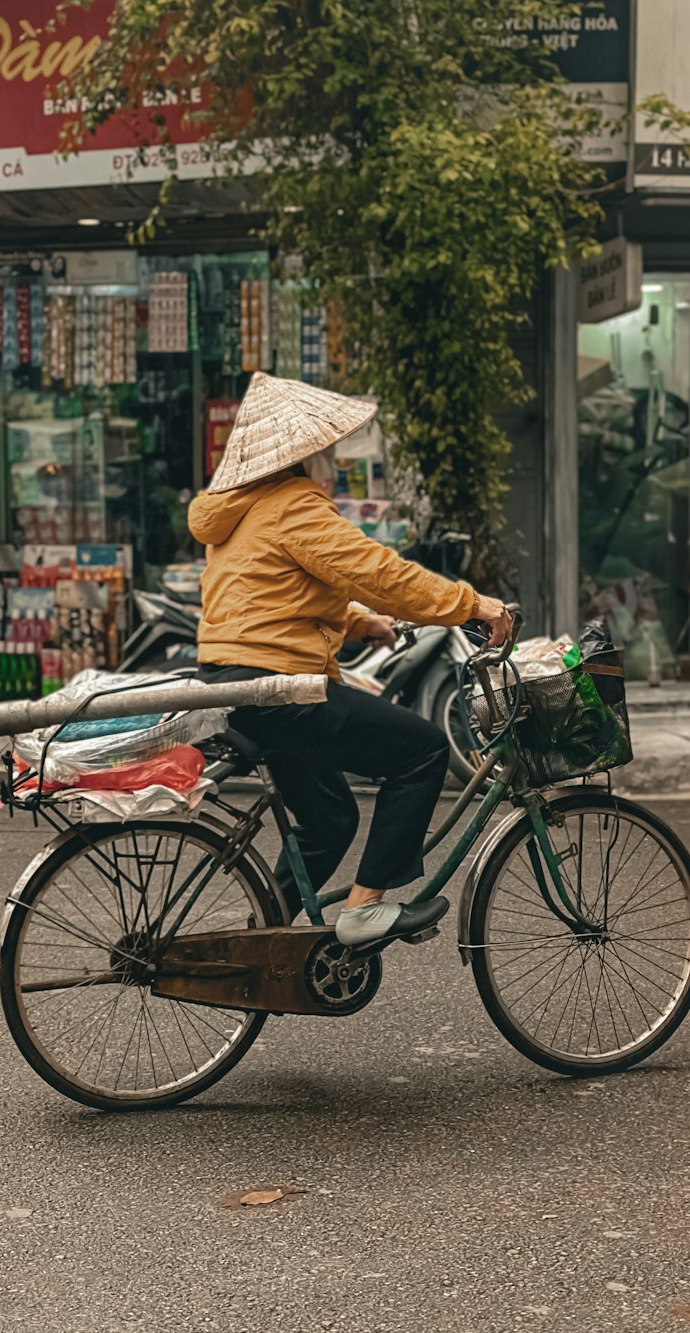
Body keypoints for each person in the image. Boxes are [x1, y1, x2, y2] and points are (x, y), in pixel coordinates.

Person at [189, 373, 510, 946]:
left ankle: (257, 944)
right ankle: (365, 912)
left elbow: (271, 593)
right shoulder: (293, 508)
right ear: (305, 457)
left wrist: (362, 624)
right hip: (279, 686)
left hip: (237, 682)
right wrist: (471, 604)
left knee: (331, 821)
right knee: (422, 750)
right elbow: (379, 572)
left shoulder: (243, 510)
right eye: (329, 454)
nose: (334, 467)